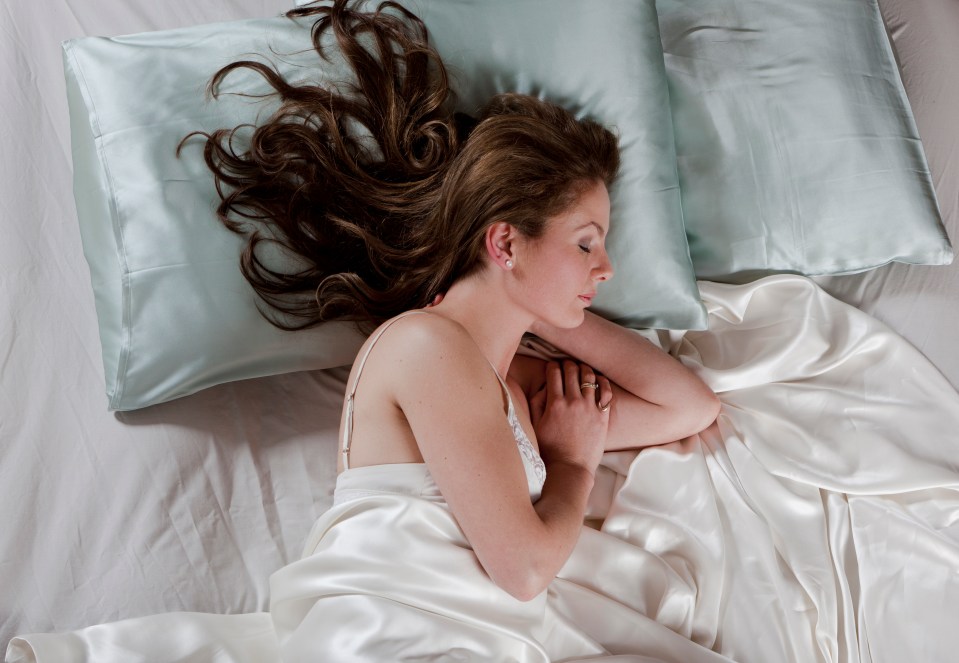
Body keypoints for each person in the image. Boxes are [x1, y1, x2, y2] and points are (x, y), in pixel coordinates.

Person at [189, 0, 722, 657]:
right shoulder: (424, 346)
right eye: (585, 244)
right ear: (505, 242)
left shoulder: (521, 387)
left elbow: (688, 405)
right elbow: (522, 569)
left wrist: (554, 314)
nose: (607, 268)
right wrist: (572, 464)